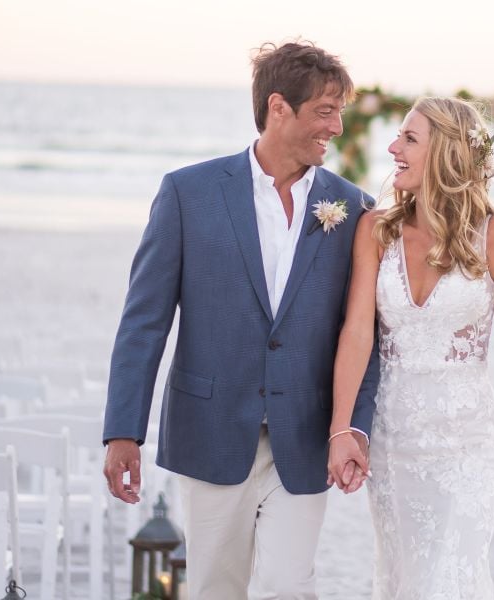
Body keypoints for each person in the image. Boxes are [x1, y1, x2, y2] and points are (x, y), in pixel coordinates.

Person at [102, 41, 379, 599]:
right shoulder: (188, 193)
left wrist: (354, 426)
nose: (338, 125)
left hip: (304, 436)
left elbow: (366, 332)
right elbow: (144, 321)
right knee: (215, 587)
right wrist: (123, 431)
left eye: (341, 111)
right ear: (279, 107)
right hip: (211, 429)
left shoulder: (354, 209)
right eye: (326, 110)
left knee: (286, 584)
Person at [327, 96, 494, 598]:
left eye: (409, 138)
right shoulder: (376, 230)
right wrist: (343, 429)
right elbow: (357, 333)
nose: (393, 147)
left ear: (447, 154)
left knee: (449, 577)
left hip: (469, 446)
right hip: (393, 443)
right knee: (404, 577)